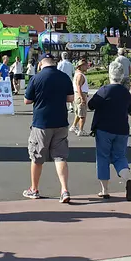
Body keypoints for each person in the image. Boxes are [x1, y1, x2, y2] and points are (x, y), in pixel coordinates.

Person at [22, 56, 74, 203]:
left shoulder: (36, 78)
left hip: (41, 122)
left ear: (40, 64)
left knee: (37, 157)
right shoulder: (64, 77)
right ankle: (64, 190)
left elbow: (27, 100)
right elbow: (70, 98)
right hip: (61, 121)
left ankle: (34, 189)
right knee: (60, 156)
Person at [88, 60, 131, 200]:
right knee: (120, 156)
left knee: (103, 157)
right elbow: (130, 109)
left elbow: (91, 105)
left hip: (104, 128)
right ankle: (127, 179)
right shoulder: (126, 93)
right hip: (122, 129)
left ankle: (104, 189)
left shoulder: (104, 90)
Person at [71, 60, 90, 136]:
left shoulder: (78, 74)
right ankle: (81, 130)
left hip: (78, 94)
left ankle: (74, 126)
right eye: (85, 65)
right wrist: (82, 97)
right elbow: (79, 86)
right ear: (81, 66)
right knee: (82, 114)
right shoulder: (80, 75)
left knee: (78, 113)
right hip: (80, 95)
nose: (87, 67)